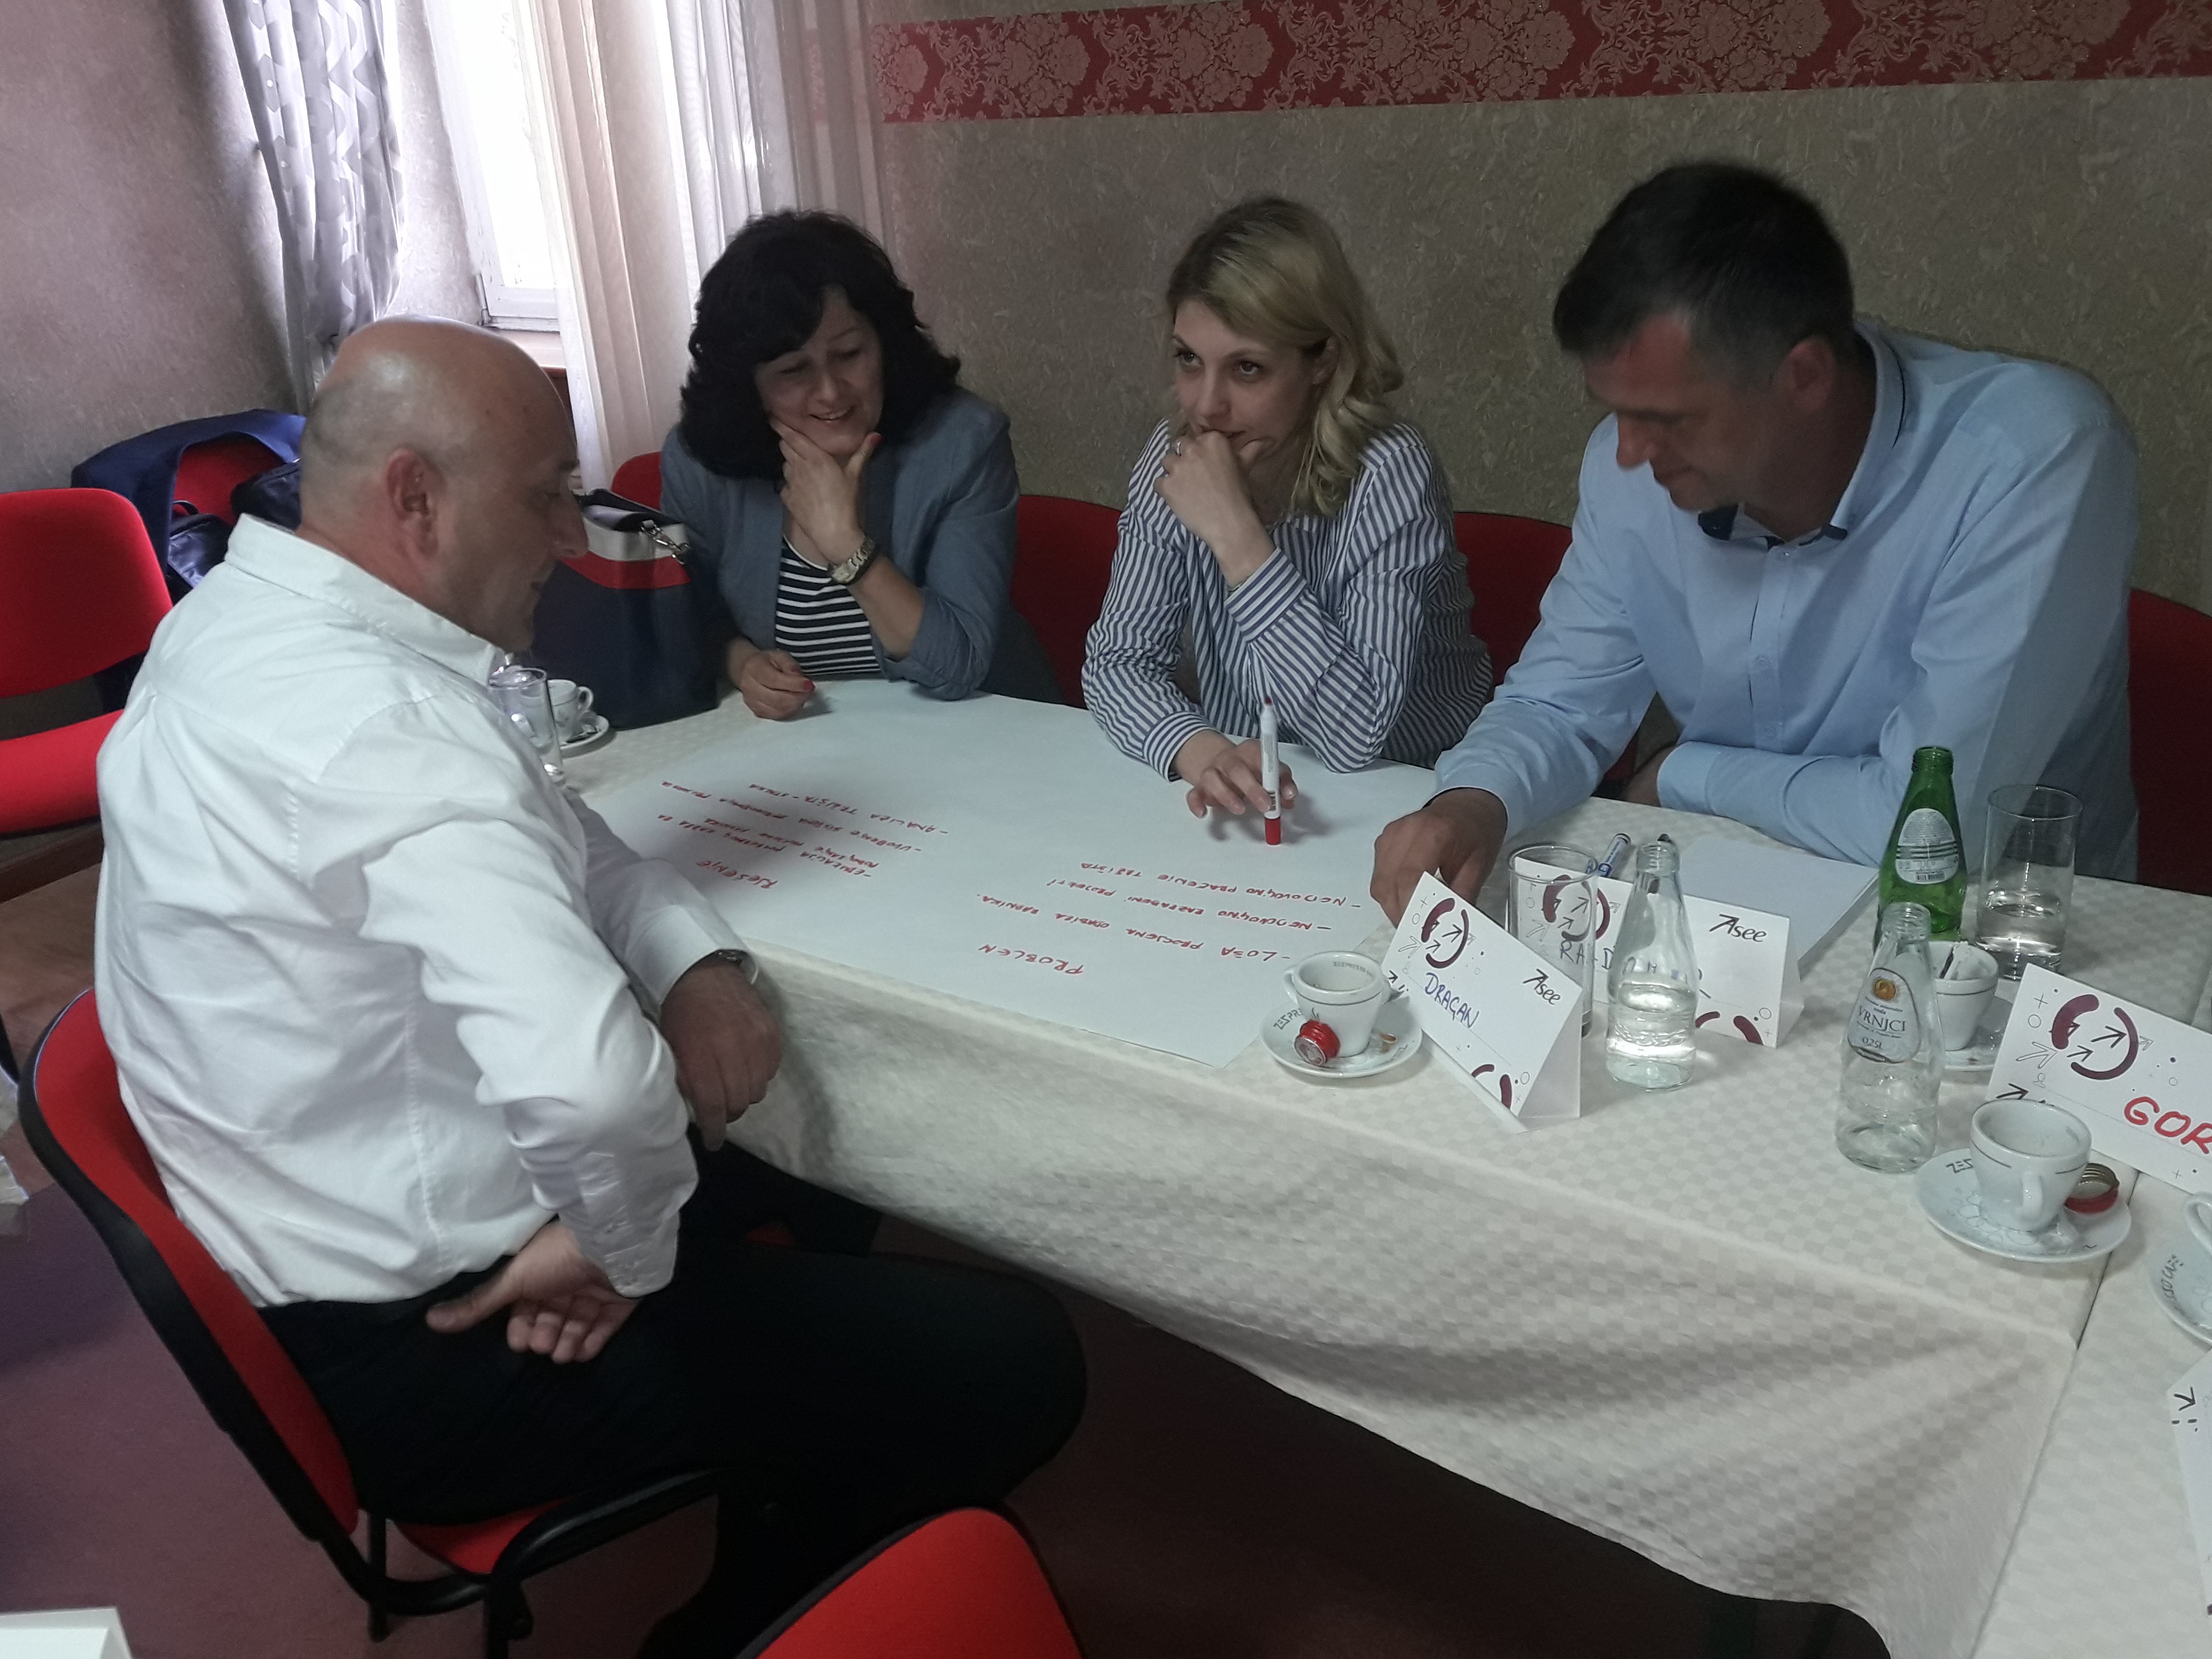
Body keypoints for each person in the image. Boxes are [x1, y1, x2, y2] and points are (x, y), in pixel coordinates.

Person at [93, 318, 1085, 1657]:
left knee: (816, 1147)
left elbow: (573, 838)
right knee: (1016, 1362)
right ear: (414, 498)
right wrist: (620, 1246)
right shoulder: (390, 727)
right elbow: (592, 1089)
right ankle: (740, 1621)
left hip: (339, 1225)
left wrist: (696, 961)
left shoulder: (236, 620)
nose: (573, 536)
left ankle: (779, 1444)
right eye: (545, 495)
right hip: (440, 1337)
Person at [1372, 162, 2137, 920]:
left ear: (1804, 377)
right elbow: (1558, 701)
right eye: (1614, 411)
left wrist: (1688, 773)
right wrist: (1472, 800)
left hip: (2001, 920)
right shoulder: (1630, 469)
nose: (1629, 452)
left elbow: (1930, 828)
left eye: (1667, 418)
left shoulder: (2029, 457)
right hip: (1732, 888)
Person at [1083, 197, 1492, 823]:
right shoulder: (1177, 455)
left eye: (1247, 368)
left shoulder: (1389, 469)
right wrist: (1202, 752)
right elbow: (1117, 663)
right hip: (1260, 789)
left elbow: (1354, 734)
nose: (1206, 407)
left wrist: (1239, 539)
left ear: (1322, 360)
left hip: (1416, 792)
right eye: (1189, 359)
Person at [661, 211, 1059, 718]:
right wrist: (740, 662)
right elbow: (689, 614)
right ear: (749, 385)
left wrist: (847, 546)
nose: (830, 392)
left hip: (981, 728)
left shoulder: (963, 443)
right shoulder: (702, 463)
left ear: (884, 344)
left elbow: (958, 664)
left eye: (849, 354)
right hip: (812, 740)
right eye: (793, 370)